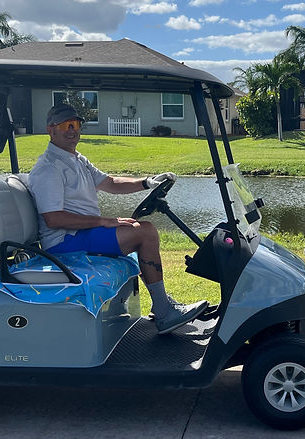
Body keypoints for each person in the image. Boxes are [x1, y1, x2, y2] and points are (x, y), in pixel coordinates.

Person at [28, 103, 207, 334]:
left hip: (81, 234)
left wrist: (147, 182)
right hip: (64, 242)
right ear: (50, 130)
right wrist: (103, 221)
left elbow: (109, 183)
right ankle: (164, 311)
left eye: (76, 124)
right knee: (146, 231)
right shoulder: (49, 168)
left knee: (138, 228)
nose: (72, 130)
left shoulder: (76, 159)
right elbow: (53, 219)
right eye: (65, 125)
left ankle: (162, 304)